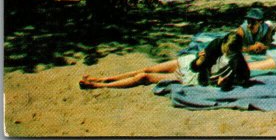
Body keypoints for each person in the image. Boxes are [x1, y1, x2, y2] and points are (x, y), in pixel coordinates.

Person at [79, 32, 250, 90]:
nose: (225, 53)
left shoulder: (237, 61)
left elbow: (242, 78)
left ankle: (100, 85)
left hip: (193, 79)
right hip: (191, 67)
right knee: (148, 67)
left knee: (144, 77)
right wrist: (199, 62)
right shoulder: (217, 44)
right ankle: (103, 78)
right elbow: (196, 65)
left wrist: (225, 83)